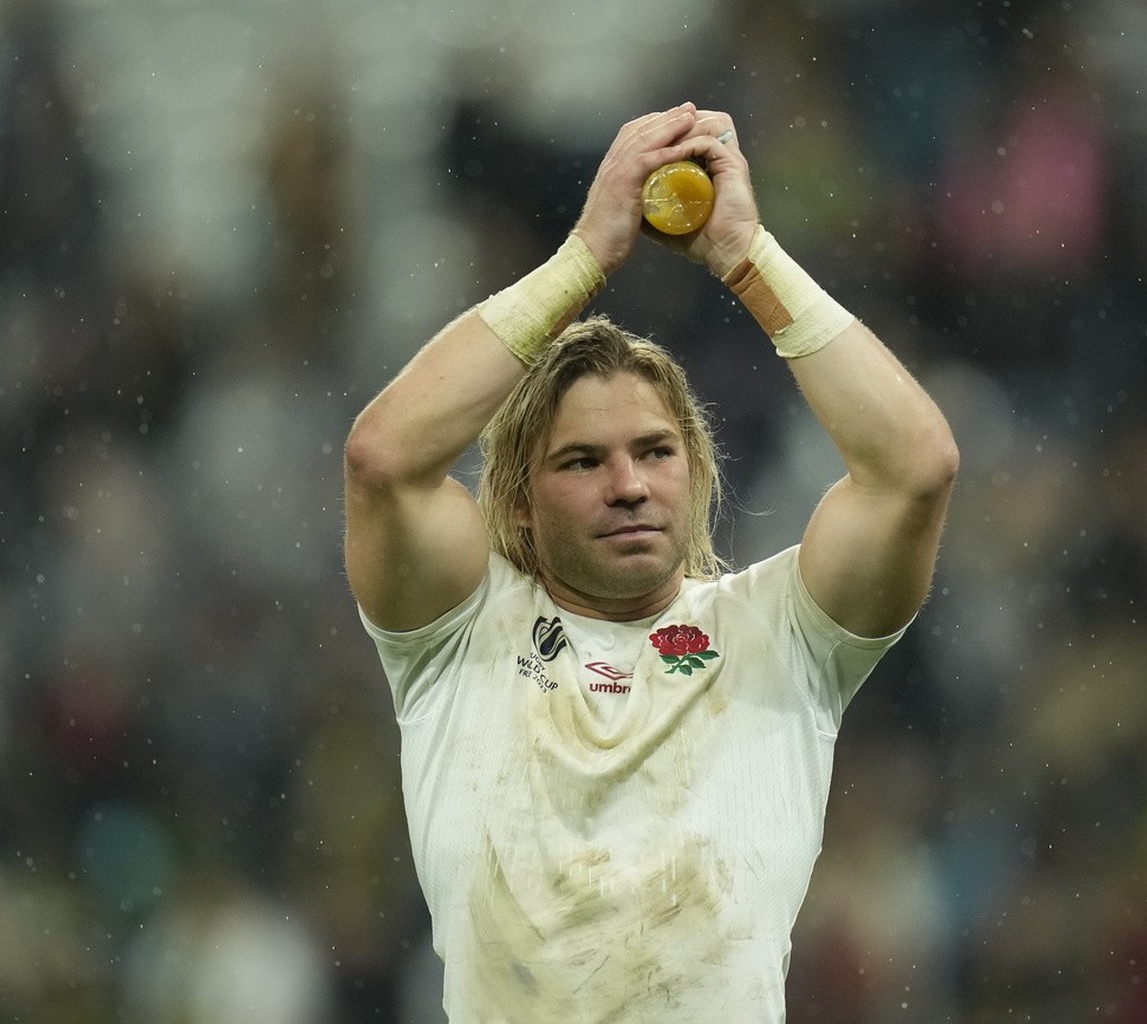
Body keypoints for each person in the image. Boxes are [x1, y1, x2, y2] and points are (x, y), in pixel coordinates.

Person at [343, 102, 958, 1023]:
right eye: (583, 462)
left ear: (698, 474)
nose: (628, 485)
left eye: (656, 452)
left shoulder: (780, 633)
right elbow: (384, 460)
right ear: (515, 499)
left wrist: (747, 258)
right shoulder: (458, 632)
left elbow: (916, 466)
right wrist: (587, 255)